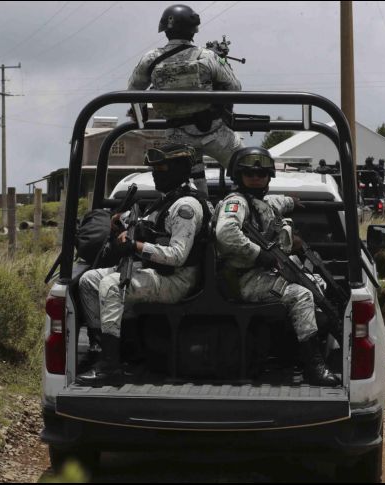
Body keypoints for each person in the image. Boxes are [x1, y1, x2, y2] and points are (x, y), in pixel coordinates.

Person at [76, 143, 211, 387]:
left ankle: (110, 368)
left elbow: (177, 256)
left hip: (178, 279)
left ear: (180, 170)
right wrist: (121, 227)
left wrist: (136, 247)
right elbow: (147, 228)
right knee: (89, 281)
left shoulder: (185, 207)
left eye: (162, 169)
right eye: (154, 169)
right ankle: (109, 350)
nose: (156, 174)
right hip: (155, 272)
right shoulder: (165, 200)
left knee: (112, 285)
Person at [214, 147, 340, 386]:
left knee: (316, 285)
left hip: (264, 275)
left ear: (269, 177)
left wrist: (292, 201)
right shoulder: (236, 202)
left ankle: (294, 356)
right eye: (250, 174)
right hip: (244, 280)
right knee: (301, 295)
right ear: (238, 176)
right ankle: (314, 366)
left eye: (262, 174)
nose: (256, 178)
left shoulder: (262, 203)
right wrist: (258, 254)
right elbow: (226, 233)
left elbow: (276, 202)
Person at [128, 4, 243, 196]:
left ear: (165, 30)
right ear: (194, 30)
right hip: (214, 133)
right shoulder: (208, 57)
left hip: (176, 136)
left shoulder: (151, 59)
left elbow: (133, 90)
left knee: (173, 189)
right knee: (248, 166)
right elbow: (235, 89)